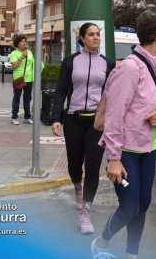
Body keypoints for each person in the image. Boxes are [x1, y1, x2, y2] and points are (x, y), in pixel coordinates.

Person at [92, 11, 156, 259]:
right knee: (129, 207)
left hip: (148, 150)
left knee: (143, 205)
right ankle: (101, 242)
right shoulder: (130, 68)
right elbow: (114, 115)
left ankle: (131, 254)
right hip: (125, 152)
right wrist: (113, 157)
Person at [51, 22, 116, 234]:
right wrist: (56, 117)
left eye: (98, 34)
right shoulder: (70, 61)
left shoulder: (107, 63)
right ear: (82, 38)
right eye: (92, 34)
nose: (96, 38)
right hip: (73, 119)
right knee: (74, 164)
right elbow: (61, 90)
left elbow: (111, 95)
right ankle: (77, 186)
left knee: (94, 165)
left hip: (97, 122)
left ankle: (86, 213)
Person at [9, 35, 40, 125]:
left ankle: (27, 117)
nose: (24, 43)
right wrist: (22, 56)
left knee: (27, 98)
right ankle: (14, 117)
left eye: (25, 41)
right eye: (22, 41)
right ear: (17, 44)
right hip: (19, 78)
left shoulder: (29, 52)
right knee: (17, 98)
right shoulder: (14, 53)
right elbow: (14, 66)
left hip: (29, 78)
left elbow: (33, 63)